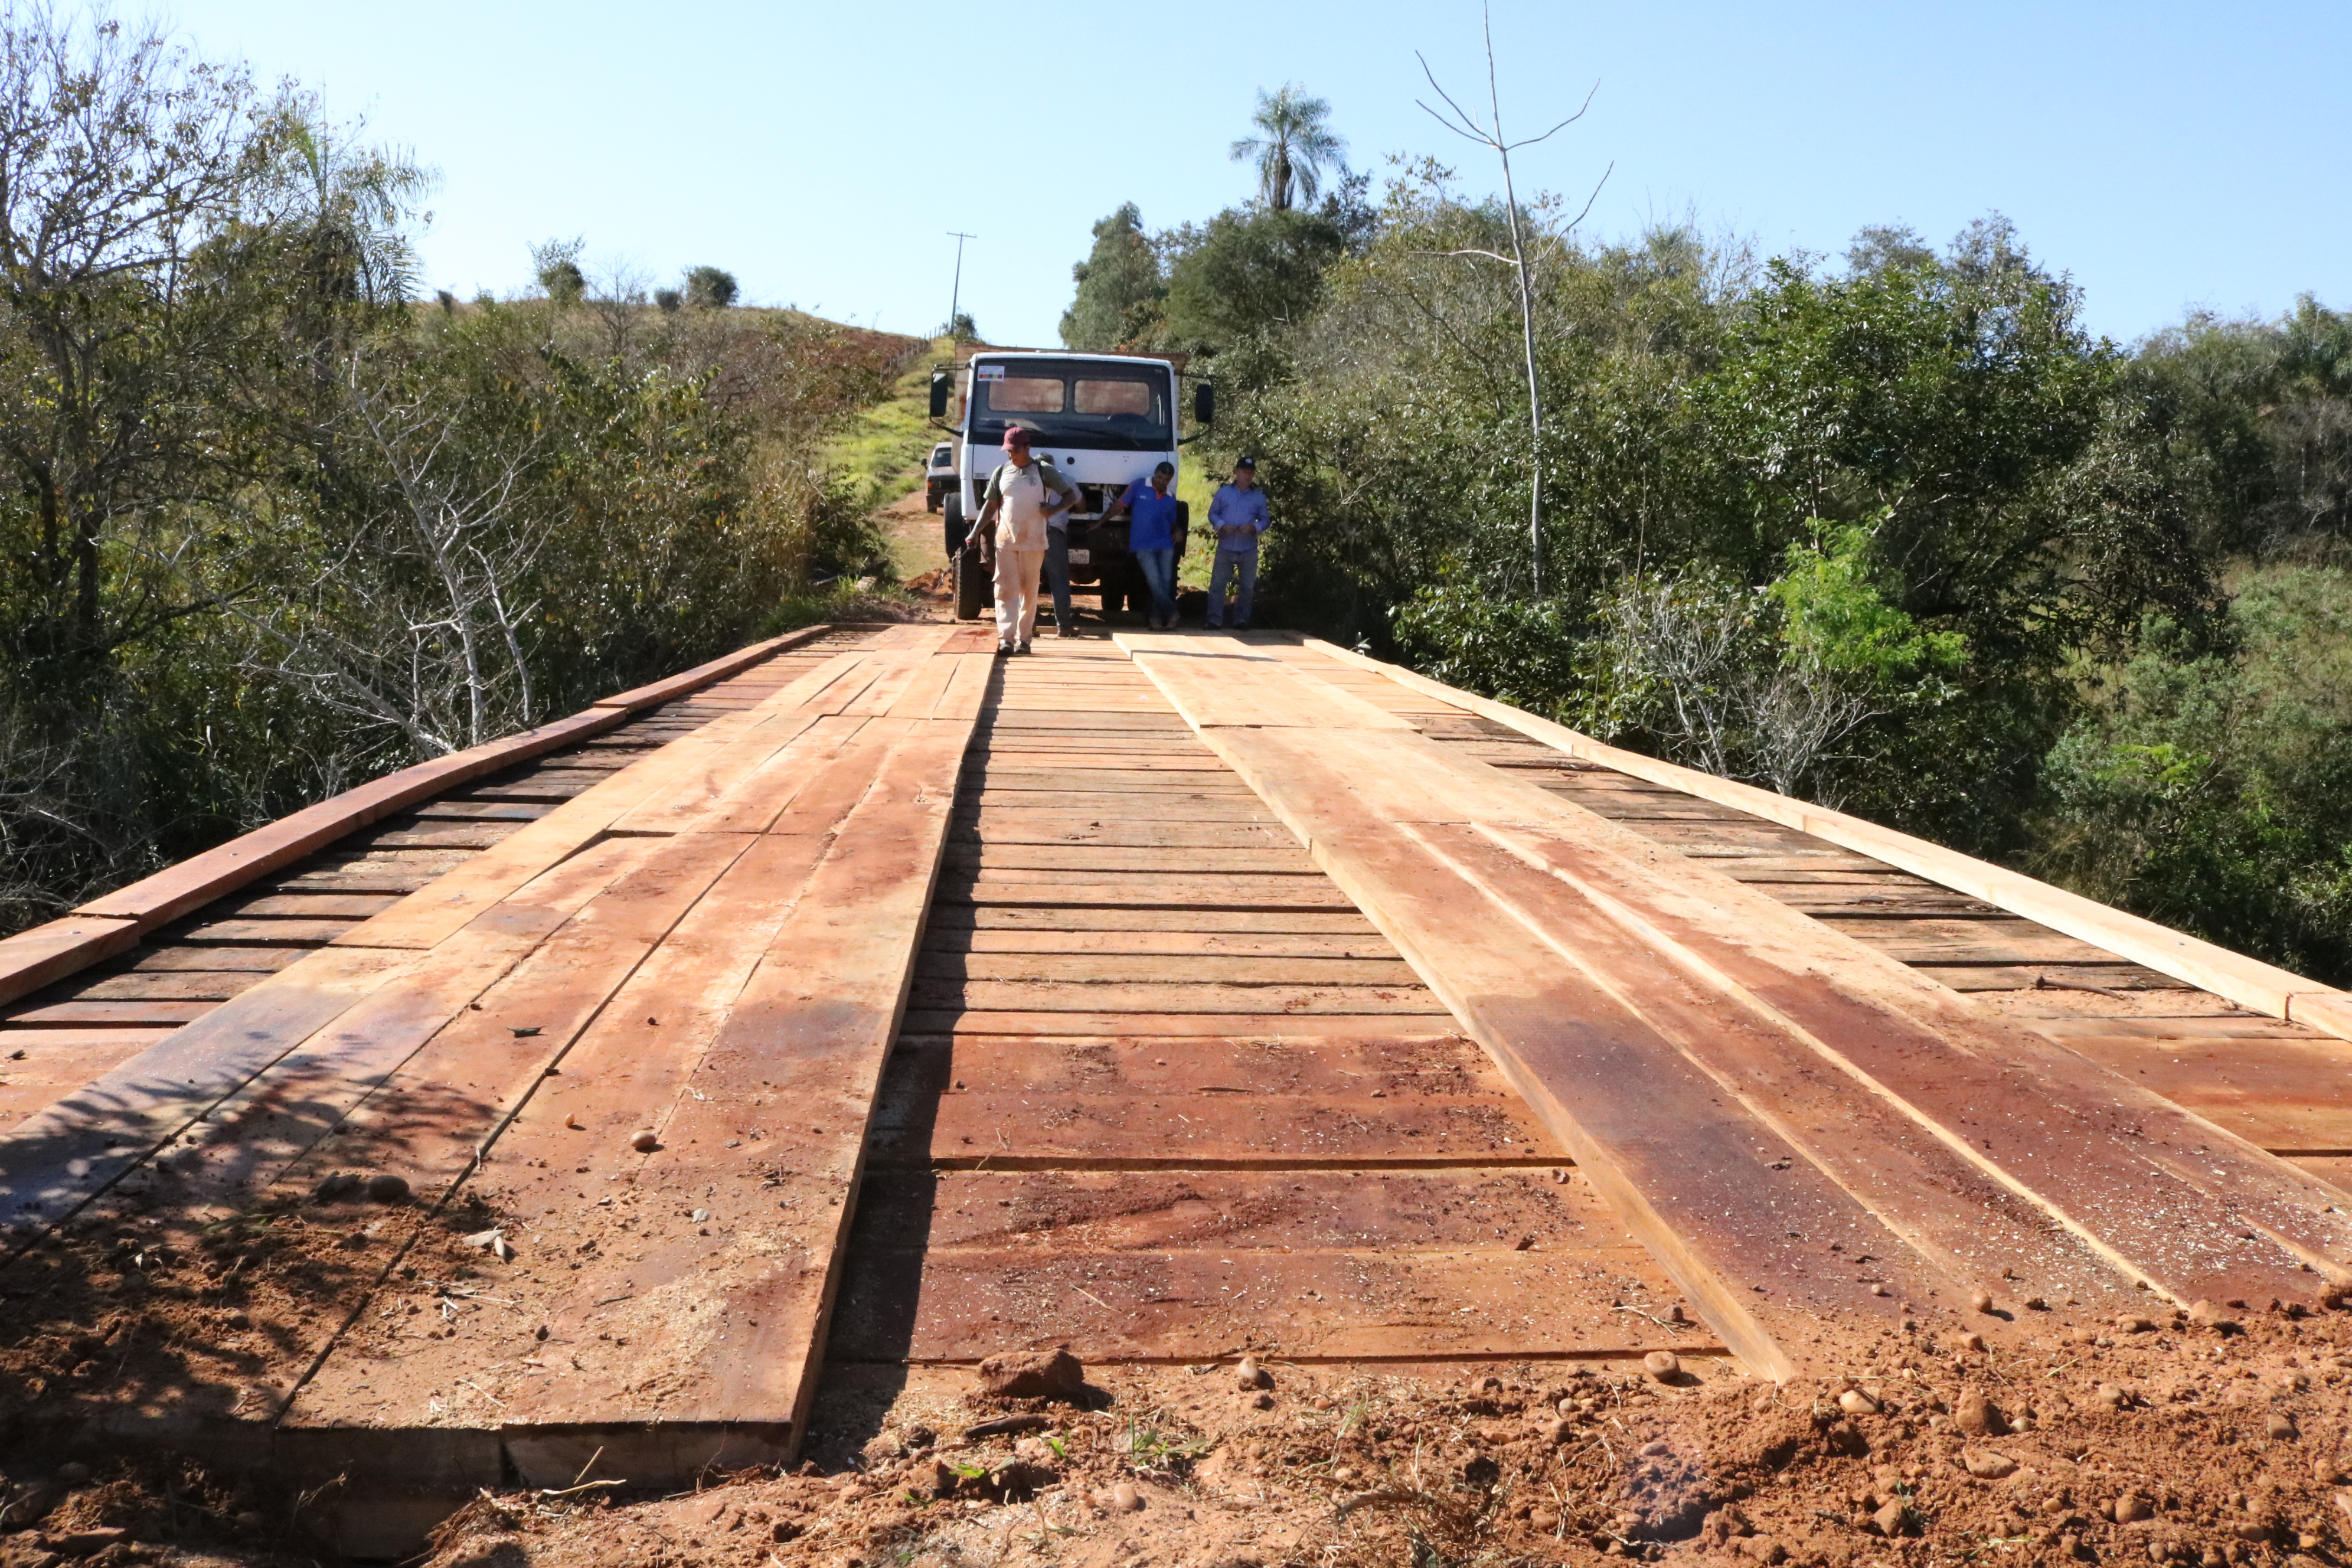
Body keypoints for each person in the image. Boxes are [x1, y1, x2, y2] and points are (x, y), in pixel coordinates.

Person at [966, 426, 1077, 654]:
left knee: (1029, 592)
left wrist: (1053, 509)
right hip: (1005, 541)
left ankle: (1024, 640)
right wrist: (975, 532)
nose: (1011, 455)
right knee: (1005, 590)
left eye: (1015, 450)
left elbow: (1071, 496)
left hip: (1034, 541)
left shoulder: (1043, 471)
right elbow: (991, 506)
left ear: (1028, 448)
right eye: (1008, 450)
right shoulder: (1001, 472)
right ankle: (1006, 639)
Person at [1104, 460, 1181, 629]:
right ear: (1155, 473)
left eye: (1166, 480)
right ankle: (1173, 611)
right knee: (1154, 580)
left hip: (1165, 544)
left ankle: (1155, 619)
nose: (1162, 482)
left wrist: (1177, 530)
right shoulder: (1139, 485)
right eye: (1160, 477)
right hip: (1143, 544)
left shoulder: (1170, 496)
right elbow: (1119, 505)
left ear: (1170, 480)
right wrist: (1100, 521)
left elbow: (1172, 521)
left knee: (1165, 582)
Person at [1205, 455, 1269, 631]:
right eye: (1244, 472)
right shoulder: (1224, 493)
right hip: (1226, 546)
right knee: (1218, 585)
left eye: (1250, 473)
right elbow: (1212, 514)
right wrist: (1222, 526)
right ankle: (1214, 620)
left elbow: (1265, 520)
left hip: (1248, 548)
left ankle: (1242, 620)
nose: (1247, 476)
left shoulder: (1258, 497)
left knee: (1247, 587)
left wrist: (1254, 527)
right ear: (1236, 472)